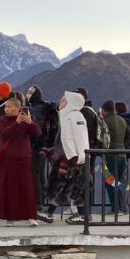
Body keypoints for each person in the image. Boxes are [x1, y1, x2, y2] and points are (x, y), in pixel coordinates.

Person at [0, 92, 41, 226]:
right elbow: (3, 135)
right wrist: (16, 123)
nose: (6, 109)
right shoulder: (2, 121)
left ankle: (32, 217)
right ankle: (10, 217)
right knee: (9, 189)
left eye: (9, 107)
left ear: (17, 108)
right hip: (8, 159)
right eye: (5, 107)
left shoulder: (27, 119)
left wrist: (31, 123)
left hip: (24, 158)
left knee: (27, 189)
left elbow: (37, 133)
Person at [43, 92, 91, 225]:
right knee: (68, 187)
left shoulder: (75, 117)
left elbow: (80, 138)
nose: (60, 102)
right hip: (69, 158)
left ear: (71, 103)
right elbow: (65, 141)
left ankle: (80, 216)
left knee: (73, 187)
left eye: (63, 100)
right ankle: (50, 213)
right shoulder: (67, 117)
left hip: (74, 159)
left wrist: (80, 158)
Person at [25, 85, 58, 214]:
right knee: (40, 173)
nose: (28, 95)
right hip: (45, 146)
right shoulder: (44, 107)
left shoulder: (36, 109)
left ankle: (37, 203)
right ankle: (41, 200)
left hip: (36, 146)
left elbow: (35, 128)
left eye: (30, 93)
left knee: (35, 174)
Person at [100, 100, 129, 214]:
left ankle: (115, 208)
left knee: (110, 181)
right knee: (121, 181)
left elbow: (100, 137)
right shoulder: (122, 120)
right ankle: (123, 207)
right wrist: (123, 146)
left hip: (111, 155)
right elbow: (129, 136)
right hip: (122, 154)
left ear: (105, 110)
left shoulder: (105, 121)